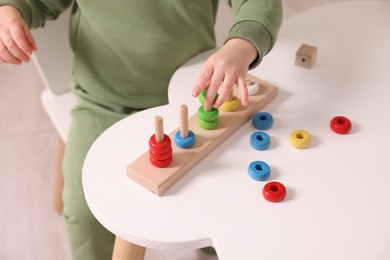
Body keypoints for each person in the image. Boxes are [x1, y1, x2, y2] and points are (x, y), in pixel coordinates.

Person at [0, 1, 282, 259]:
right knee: (85, 215)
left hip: (192, 96)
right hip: (104, 100)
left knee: (219, 212)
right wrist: (9, 10)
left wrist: (241, 45)